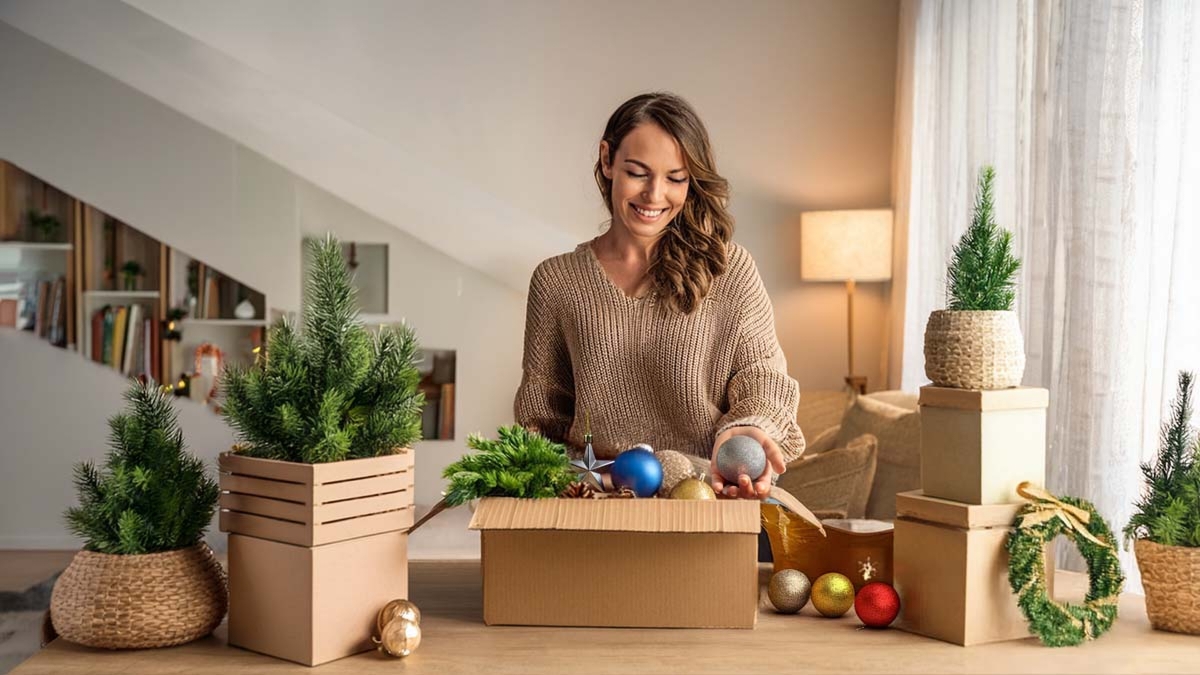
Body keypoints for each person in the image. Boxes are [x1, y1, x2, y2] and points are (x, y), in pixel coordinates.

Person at [514, 92, 804, 499]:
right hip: (597, 500)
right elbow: (541, 418)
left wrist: (746, 429)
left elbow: (763, 374)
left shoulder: (729, 270)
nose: (655, 194)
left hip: (707, 495)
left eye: (675, 178)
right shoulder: (557, 281)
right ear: (607, 160)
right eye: (638, 172)